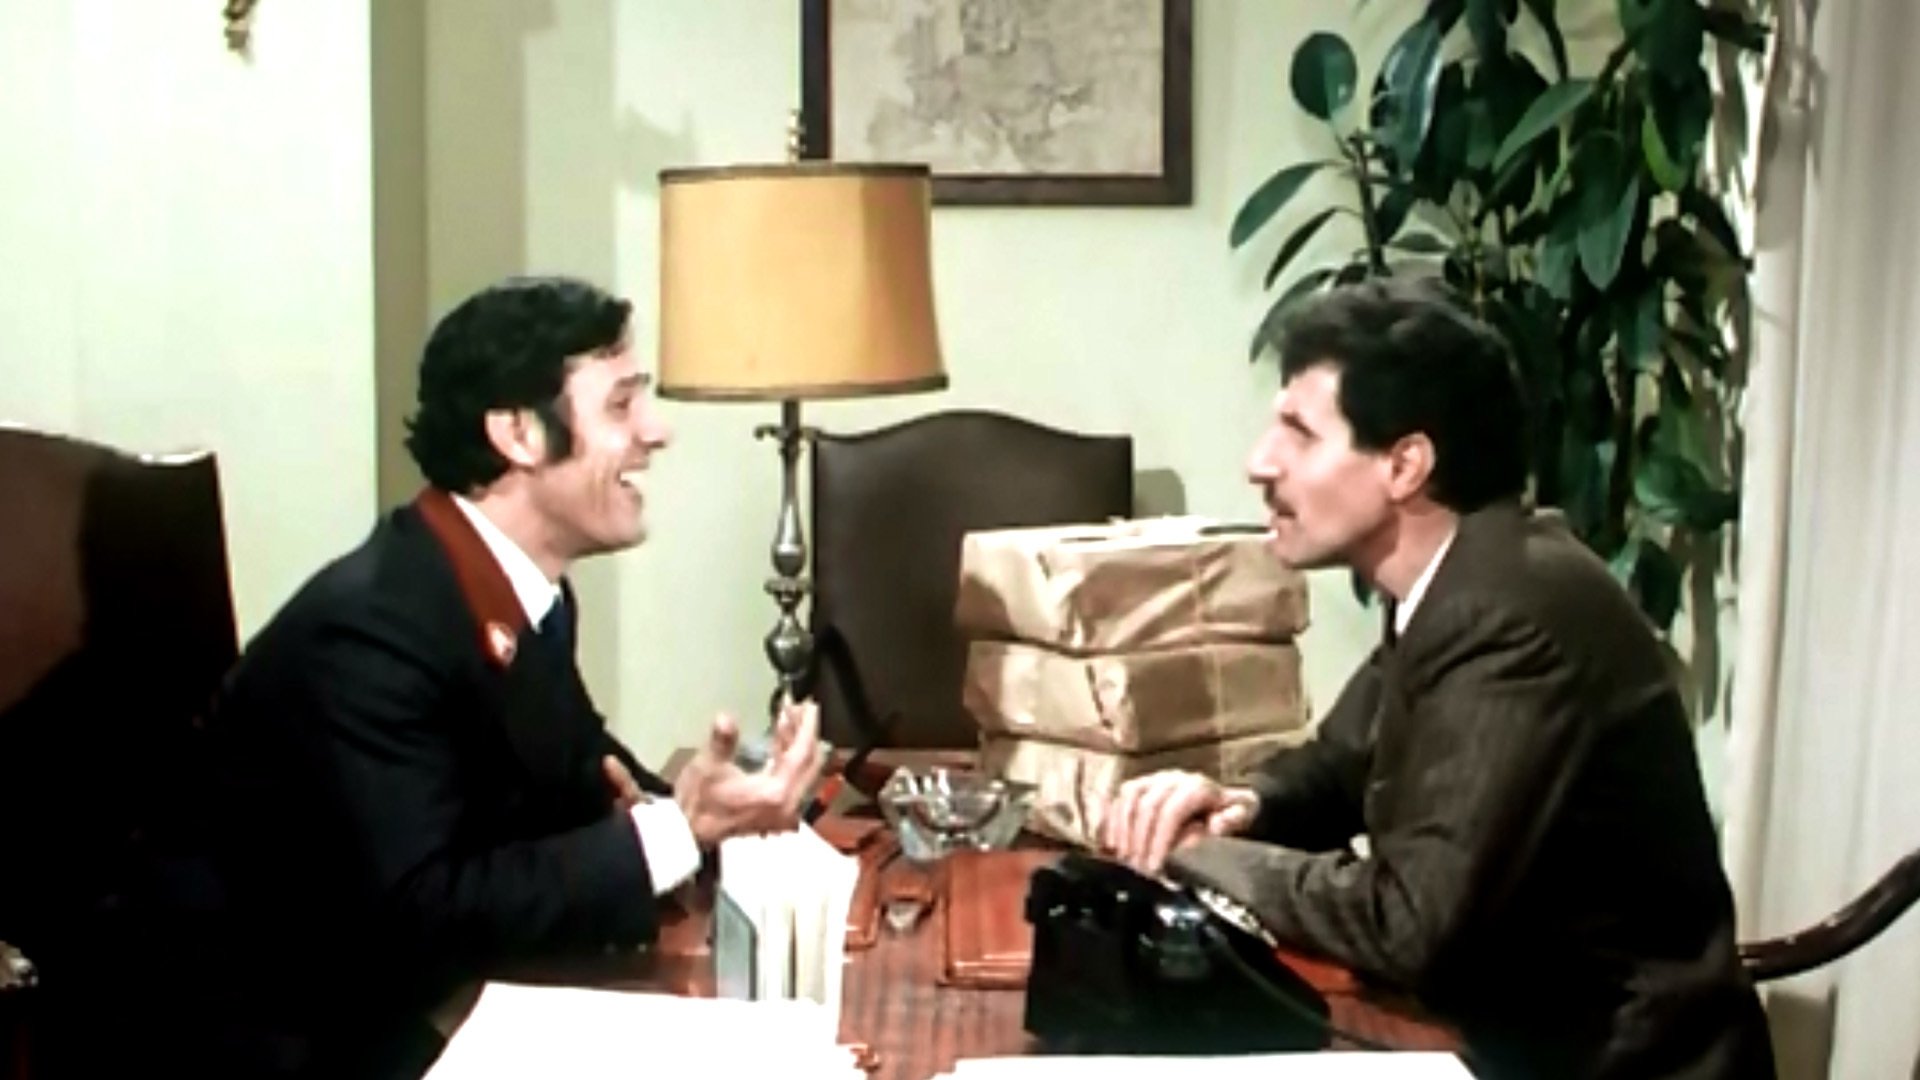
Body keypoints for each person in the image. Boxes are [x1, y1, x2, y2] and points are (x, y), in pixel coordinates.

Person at [92, 277, 824, 1079]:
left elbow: (576, 775)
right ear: (517, 434)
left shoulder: (515, 591)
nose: (656, 431)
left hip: (418, 1008)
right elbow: (423, 908)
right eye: (621, 405)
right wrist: (677, 831)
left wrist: (717, 816)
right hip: (280, 1045)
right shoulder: (371, 629)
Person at [1102, 278, 1774, 1079]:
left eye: (1300, 433)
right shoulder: (1466, 576)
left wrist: (1201, 854)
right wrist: (1240, 805)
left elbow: (1407, 920)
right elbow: (1339, 765)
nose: (1259, 463)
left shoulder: (1508, 610)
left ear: (1405, 465)